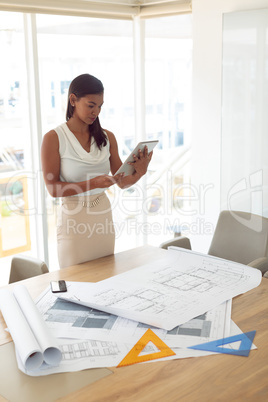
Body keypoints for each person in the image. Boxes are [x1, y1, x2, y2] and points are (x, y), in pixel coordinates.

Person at [41, 73, 153, 268]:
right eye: (91, 105)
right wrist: (93, 183)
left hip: (102, 216)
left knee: (105, 277)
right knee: (74, 281)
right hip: (74, 220)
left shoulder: (108, 137)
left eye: (100, 106)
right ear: (73, 100)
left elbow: (122, 181)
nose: (96, 112)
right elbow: (53, 189)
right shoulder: (54, 138)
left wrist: (140, 172)